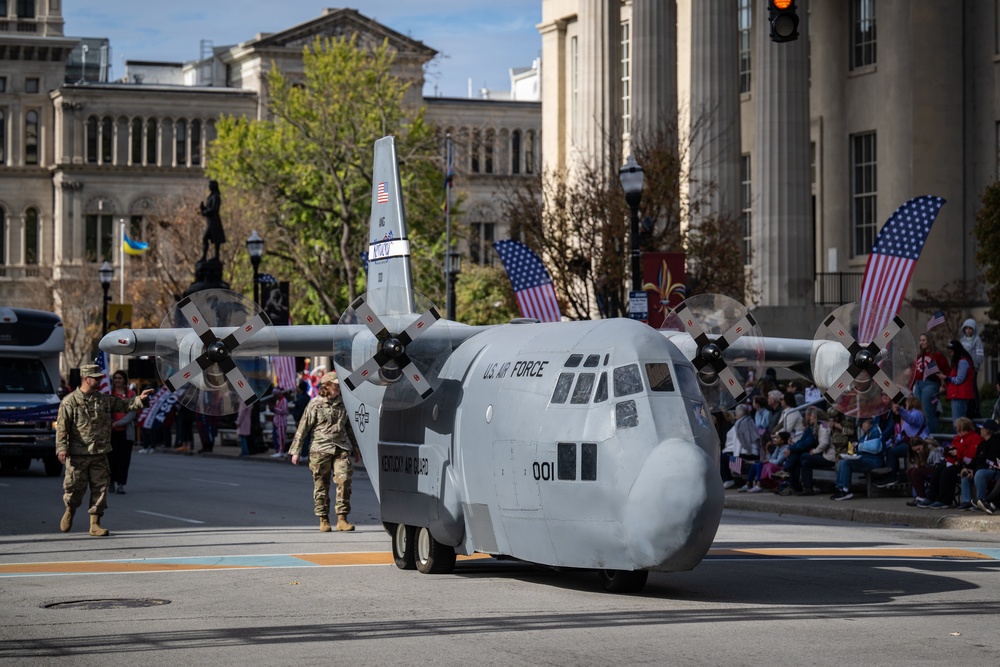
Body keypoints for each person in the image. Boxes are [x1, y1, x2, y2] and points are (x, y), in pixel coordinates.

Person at [56, 364, 152, 536]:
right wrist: (62, 448)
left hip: (100, 453)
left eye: (100, 377)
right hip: (78, 454)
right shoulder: (69, 401)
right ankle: (70, 510)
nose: (100, 380)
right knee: (75, 490)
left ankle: (95, 523)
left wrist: (140, 399)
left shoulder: (103, 399)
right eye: (96, 377)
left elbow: (125, 405)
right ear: (86, 379)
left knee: (100, 489)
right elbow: (62, 428)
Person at [289, 372, 359, 532]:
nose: (338, 388)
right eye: (335, 385)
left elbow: (349, 428)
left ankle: (342, 518)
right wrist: (296, 451)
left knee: (344, 481)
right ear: (327, 386)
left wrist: (356, 449)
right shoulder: (315, 404)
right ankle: (323, 519)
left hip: (341, 448)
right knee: (321, 485)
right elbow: (303, 427)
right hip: (320, 450)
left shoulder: (343, 403)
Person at [917, 416, 982, 509]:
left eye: (959, 429)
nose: (958, 431)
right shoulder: (957, 438)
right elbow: (952, 449)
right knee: (938, 470)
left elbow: (971, 456)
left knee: (948, 473)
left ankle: (944, 500)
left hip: (966, 464)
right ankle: (931, 497)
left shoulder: (975, 438)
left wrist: (958, 453)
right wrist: (949, 451)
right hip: (955, 462)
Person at [876, 397, 930, 488]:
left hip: (917, 443)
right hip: (909, 442)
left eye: (906, 404)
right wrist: (891, 443)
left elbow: (911, 419)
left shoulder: (917, 413)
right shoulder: (908, 415)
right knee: (890, 449)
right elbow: (902, 434)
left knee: (892, 452)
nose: (905, 405)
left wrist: (901, 409)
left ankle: (892, 476)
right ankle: (892, 474)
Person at [830, 417, 883, 501]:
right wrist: (854, 450)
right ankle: (840, 487)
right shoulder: (866, 434)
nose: (861, 428)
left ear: (867, 423)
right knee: (842, 462)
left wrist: (858, 446)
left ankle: (845, 489)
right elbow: (860, 446)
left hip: (874, 460)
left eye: (862, 425)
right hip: (865, 459)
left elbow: (875, 447)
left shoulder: (875, 430)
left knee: (846, 463)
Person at [909, 333, 949, 434]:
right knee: (918, 412)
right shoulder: (919, 356)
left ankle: (932, 438)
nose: (921, 342)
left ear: (929, 341)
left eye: (924, 340)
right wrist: (910, 387)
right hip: (918, 384)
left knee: (928, 412)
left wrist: (944, 385)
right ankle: (921, 437)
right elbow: (914, 372)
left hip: (931, 384)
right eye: (920, 340)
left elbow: (947, 370)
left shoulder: (937, 356)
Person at [958, 419, 1000, 510]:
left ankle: (980, 502)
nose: (980, 430)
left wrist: (975, 470)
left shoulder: (996, 443)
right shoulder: (982, 444)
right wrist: (968, 468)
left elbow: (991, 462)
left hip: (994, 470)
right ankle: (967, 501)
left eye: (982, 428)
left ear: (988, 430)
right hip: (982, 469)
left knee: (980, 473)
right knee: (965, 473)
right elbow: (976, 460)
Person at [108, 370, 137, 495]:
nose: (117, 380)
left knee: (123, 460)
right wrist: (110, 422)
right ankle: (111, 482)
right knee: (111, 459)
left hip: (126, 433)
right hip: (111, 433)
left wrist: (118, 423)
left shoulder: (131, 394)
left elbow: (133, 412)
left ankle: (121, 484)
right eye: (115, 378)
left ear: (124, 380)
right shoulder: (109, 394)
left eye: (120, 378)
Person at [720, 404, 760, 489]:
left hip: (747, 452)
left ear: (739, 414)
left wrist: (735, 456)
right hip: (749, 451)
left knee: (722, 457)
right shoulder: (748, 421)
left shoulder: (741, 423)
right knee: (723, 456)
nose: (735, 415)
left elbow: (739, 442)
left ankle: (728, 479)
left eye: (736, 413)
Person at [941, 339, 975, 423]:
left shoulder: (963, 361)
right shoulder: (959, 362)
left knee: (958, 424)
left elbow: (959, 379)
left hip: (960, 396)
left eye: (951, 352)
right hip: (957, 395)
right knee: (959, 423)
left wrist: (946, 378)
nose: (950, 354)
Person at [959, 318, 984, 417]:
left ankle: (975, 408)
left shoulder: (977, 340)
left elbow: (979, 355)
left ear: (974, 329)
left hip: (972, 369)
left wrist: (975, 366)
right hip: (963, 369)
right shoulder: (962, 340)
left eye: (970, 329)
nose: (968, 331)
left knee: (972, 387)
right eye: (966, 329)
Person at [198, 179, 226, 261]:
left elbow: (214, 209)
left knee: (212, 239)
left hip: (214, 222)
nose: (209, 187)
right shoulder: (212, 196)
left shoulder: (216, 196)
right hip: (210, 221)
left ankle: (215, 257)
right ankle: (205, 257)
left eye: (210, 185)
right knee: (208, 238)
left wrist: (204, 211)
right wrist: (203, 208)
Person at [291, 380, 311, 457]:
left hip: (302, 421)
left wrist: (298, 419)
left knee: (304, 438)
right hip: (304, 420)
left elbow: (300, 410)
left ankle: (304, 454)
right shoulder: (305, 397)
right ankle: (303, 454)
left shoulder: (302, 398)